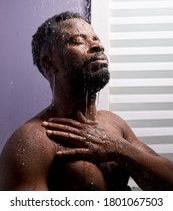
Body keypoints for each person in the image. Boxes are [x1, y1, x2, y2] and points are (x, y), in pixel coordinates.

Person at [0, 11, 173, 191]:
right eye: (78, 40)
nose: (98, 46)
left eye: (96, 39)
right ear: (50, 63)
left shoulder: (114, 124)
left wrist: (120, 149)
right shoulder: (32, 141)